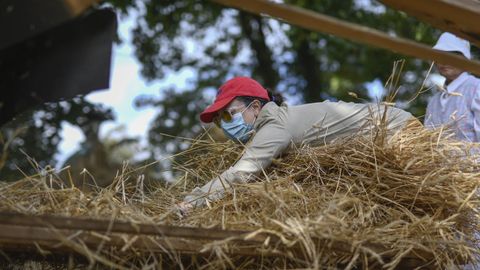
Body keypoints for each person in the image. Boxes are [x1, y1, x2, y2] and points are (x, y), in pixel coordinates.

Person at [178, 77, 418, 214]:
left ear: (255, 107)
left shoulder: (275, 126)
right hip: (392, 130)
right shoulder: (276, 123)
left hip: (398, 132)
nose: (225, 125)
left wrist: (193, 200)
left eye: (229, 115)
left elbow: (241, 174)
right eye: (220, 121)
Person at [424, 32, 480, 142]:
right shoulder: (433, 103)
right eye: (440, 56)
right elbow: (427, 144)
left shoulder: (476, 88)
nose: (445, 61)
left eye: (453, 56)